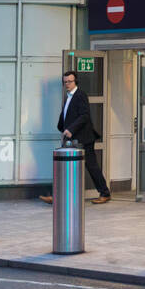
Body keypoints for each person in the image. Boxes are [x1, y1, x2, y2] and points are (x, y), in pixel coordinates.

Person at [40, 70, 110, 204]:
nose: (67, 84)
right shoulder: (69, 97)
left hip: (84, 138)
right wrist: (62, 127)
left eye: (70, 81)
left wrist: (71, 129)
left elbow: (84, 115)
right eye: (65, 82)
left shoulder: (80, 95)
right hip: (72, 137)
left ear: (75, 81)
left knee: (91, 166)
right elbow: (66, 114)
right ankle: (58, 195)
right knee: (65, 165)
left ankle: (105, 193)